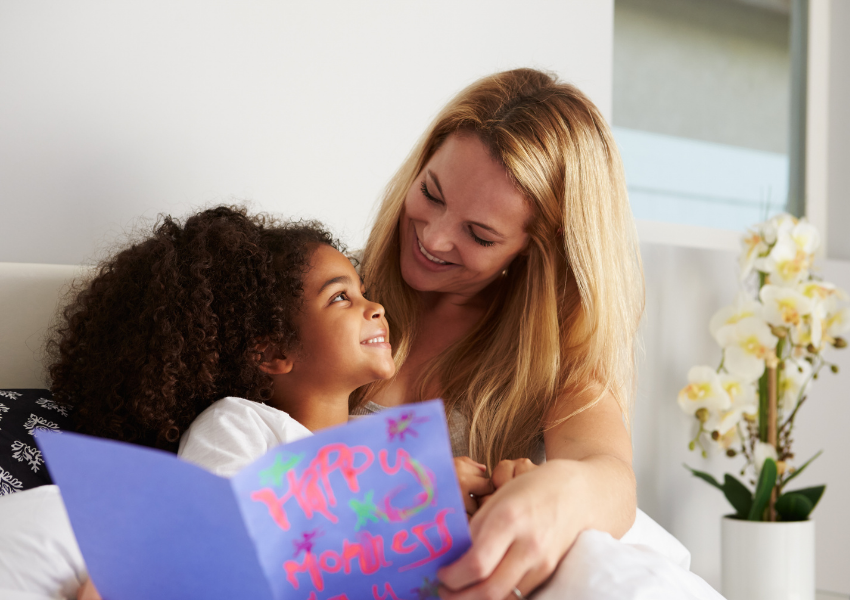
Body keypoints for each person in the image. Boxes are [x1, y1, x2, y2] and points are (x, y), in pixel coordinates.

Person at [45, 206, 490, 600]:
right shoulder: (240, 423)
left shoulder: (383, 447)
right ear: (274, 353)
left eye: (362, 290)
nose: (375, 307)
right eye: (341, 297)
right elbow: (217, 538)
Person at [350, 68, 644, 599]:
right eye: (432, 193)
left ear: (535, 253)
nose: (434, 237)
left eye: (480, 235)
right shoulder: (335, 298)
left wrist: (561, 495)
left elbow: (612, 480)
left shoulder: (559, 372)